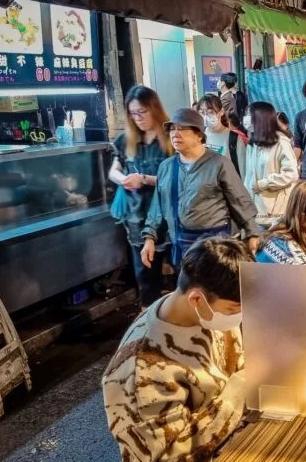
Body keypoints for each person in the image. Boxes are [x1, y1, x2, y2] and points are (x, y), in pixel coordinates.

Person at [102, 236, 255, 462]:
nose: (239, 317)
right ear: (196, 298)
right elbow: (170, 457)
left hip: (230, 434)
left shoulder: (204, 313)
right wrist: (241, 388)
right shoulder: (144, 366)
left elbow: (242, 366)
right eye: (234, 309)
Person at [142, 108, 260, 269]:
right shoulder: (166, 167)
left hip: (217, 246)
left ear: (199, 135)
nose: (175, 134)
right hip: (183, 246)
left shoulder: (219, 164)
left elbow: (240, 201)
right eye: (172, 129)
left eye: (182, 128)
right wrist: (150, 237)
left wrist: (252, 234)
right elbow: (157, 207)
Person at [110, 86, 173, 308]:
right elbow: (114, 170)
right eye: (133, 113)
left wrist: (144, 179)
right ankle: (148, 321)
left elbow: (177, 178)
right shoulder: (126, 140)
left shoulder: (171, 139)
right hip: (137, 216)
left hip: (168, 215)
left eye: (142, 112)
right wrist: (123, 179)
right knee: (145, 275)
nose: (138, 118)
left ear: (154, 109)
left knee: (178, 272)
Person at [243, 101, 299, 226]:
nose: (245, 118)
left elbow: (291, 174)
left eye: (248, 114)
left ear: (260, 117)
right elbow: (249, 176)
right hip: (254, 210)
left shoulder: (281, 142)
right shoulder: (253, 143)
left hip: (275, 212)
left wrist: (264, 184)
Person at [199, 93, 247, 177]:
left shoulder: (234, 139)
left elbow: (243, 172)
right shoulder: (198, 137)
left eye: (210, 112)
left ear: (221, 112)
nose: (206, 116)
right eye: (202, 112)